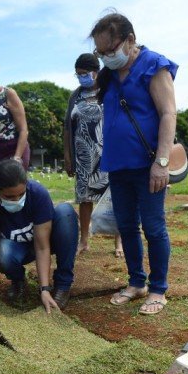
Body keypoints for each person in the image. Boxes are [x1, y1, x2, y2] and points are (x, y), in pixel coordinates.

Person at [90, 13, 178, 315]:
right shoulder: (110, 75)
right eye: (100, 53)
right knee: (126, 225)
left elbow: (168, 113)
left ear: (130, 40)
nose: (106, 57)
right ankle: (136, 282)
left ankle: (158, 288)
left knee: (154, 227)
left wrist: (162, 162)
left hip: (148, 164)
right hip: (118, 164)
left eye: (110, 49)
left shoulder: (153, 65)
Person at [0, 159, 78, 320]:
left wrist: (44, 289)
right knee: (1, 252)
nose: (17, 200)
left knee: (65, 212)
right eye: (9, 197)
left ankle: (63, 284)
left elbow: (42, 247)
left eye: (21, 194)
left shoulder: (38, 194)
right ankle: (17, 280)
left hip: (43, 243)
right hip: (15, 250)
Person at [63, 53, 123, 257]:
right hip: (83, 156)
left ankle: (119, 242)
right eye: (78, 74)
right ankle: (84, 240)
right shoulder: (75, 96)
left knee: (116, 197)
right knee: (85, 199)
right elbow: (67, 128)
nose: (81, 77)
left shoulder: (110, 89)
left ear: (96, 72)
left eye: (84, 73)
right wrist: (68, 156)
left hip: (109, 153)